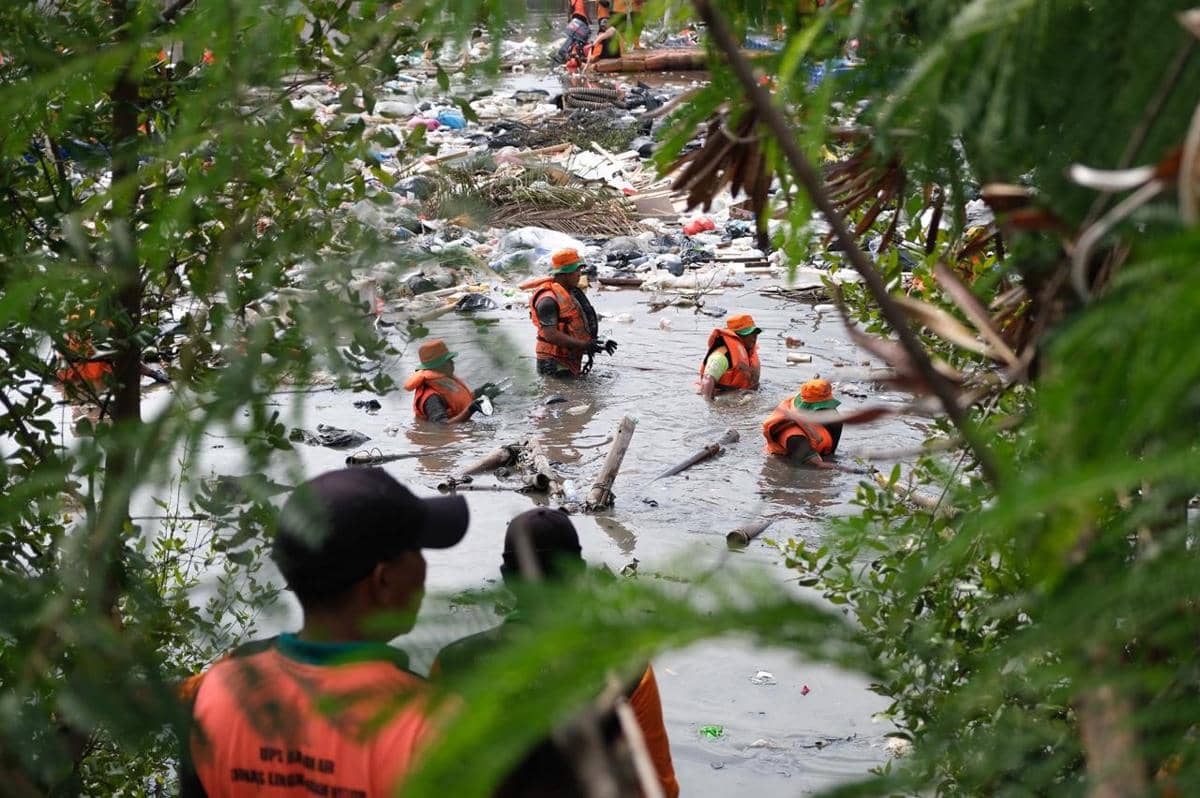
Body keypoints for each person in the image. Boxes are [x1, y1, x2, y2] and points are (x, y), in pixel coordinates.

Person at [180, 468, 470, 798]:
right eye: (417, 550)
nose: (423, 566)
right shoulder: (434, 725)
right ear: (384, 580)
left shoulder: (215, 695)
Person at [433, 508, 680, 798]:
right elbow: (661, 788)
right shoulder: (628, 669)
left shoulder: (454, 662)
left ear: (507, 578)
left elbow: (432, 775)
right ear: (578, 574)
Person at [520, 248, 616, 379]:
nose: (579, 274)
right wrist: (585, 345)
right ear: (565, 273)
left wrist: (598, 344)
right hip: (552, 362)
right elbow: (551, 335)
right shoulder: (548, 300)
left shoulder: (571, 293)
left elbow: (574, 328)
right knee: (558, 391)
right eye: (577, 270)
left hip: (568, 359)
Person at [404, 339, 500, 424]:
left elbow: (457, 402)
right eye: (449, 360)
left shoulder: (444, 381)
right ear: (439, 366)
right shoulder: (432, 398)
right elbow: (441, 426)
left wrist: (479, 393)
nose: (453, 363)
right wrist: (470, 410)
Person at [762, 378, 844, 468]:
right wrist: (846, 469)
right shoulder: (794, 436)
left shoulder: (831, 415)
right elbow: (818, 464)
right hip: (792, 457)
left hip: (818, 444)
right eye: (822, 408)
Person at [698, 313, 762, 400]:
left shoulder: (749, 353)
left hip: (743, 394)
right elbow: (708, 379)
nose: (753, 337)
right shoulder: (721, 356)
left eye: (755, 333)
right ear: (736, 336)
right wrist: (709, 402)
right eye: (748, 333)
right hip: (723, 398)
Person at [554, 0, 592, 66]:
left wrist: (569, 18)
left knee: (572, 37)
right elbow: (585, 8)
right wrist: (589, 19)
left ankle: (565, 51)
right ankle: (577, 54)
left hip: (575, 17)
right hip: (583, 19)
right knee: (579, 39)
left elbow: (570, 9)